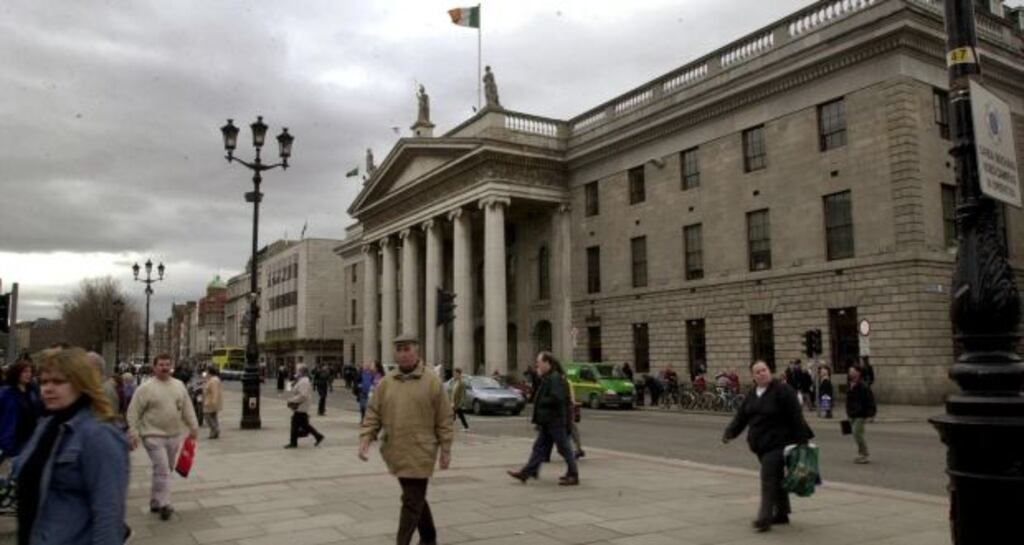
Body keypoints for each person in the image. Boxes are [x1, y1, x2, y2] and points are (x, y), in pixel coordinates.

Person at [13, 346, 129, 545]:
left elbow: (109, 513)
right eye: (43, 382)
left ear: (80, 383)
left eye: (58, 382)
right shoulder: (47, 424)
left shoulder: (99, 434)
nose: (48, 388)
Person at [359, 333, 454, 545]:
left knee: (411, 501)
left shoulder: (432, 381)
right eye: (398, 349)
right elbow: (374, 413)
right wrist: (366, 438)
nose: (402, 354)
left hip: (422, 451)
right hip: (396, 451)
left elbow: (444, 418)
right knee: (414, 498)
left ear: (417, 351)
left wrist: (446, 449)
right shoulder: (386, 383)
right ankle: (429, 537)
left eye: (407, 349)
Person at [723, 360, 814, 533]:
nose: (761, 373)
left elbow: (796, 417)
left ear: (769, 371)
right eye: (757, 372)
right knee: (777, 479)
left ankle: (764, 518)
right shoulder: (752, 394)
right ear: (753, 376)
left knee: (768, 477)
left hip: (779, 444)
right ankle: (782, 513)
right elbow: (741, 417)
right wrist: (729, 433)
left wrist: (803, 442)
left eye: (764, 370)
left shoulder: (782, 390)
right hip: (760, 446)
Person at [125, 354, 199, 521]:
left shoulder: (179, 386)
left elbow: (187, 408)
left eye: (167, 364)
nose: (164, 367)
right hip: (152, 435)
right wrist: (133, 432)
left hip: (173, 435)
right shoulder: (145, 388)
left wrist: (193, 427)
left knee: (165, 469)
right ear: (154, 367)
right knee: (163, 468)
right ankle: (165, 503)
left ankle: (155, 500)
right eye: (161, 365)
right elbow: (133, 411)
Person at [507, 351, 579, 486]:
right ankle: (527, 473)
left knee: (564, 448)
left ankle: (573, 474)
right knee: (539, 448)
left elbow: (557, 398)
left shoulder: (555, 378)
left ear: (547, 363)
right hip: (548, 421)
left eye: (539, 362)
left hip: (555, 421)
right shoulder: (549, 377)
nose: (537, 365)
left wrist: (541, 401)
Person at [0, 358, 41, 462]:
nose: (28, 374)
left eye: (30, 372)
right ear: (17, 373)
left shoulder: (32, 391)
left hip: (29, 438)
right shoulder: (6, 392)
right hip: (12, 438)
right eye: (25, 371)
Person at [285, 365, 325, 448]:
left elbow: (303, 395)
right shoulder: (301, 380)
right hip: (301, 405)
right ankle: (318, 436)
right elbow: (289, 388)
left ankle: (293, 443)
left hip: (301, 405)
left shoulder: (304, 382)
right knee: (304, 425)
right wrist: (293, 381)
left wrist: (292, 400)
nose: (297, 372)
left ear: (302, 372)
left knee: (295, 423)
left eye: (298, 371)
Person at [846, 364, 876, 463]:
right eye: (850, 371)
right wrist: (848, 413)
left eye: (853, 371)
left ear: (858, 373)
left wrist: (871, 414)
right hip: (852, 413)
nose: (851, 373)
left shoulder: (863, 386)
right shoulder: (850, 384)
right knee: (856, 434)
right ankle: (861, 454)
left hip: (861, 414)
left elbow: (870, 400)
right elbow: (848, 401)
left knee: (857, 433)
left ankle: (864, 454)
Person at [203, 366, 223, 439]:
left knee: (207, 416)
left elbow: (215, 392)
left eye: (207, 372)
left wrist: (214, 401)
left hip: (210, 402)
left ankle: (215, 429)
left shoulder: (214, 380)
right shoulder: (211, 379)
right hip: (210, 401)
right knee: (213, 417)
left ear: (210, 372)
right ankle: (213, 432)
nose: (206, 373)